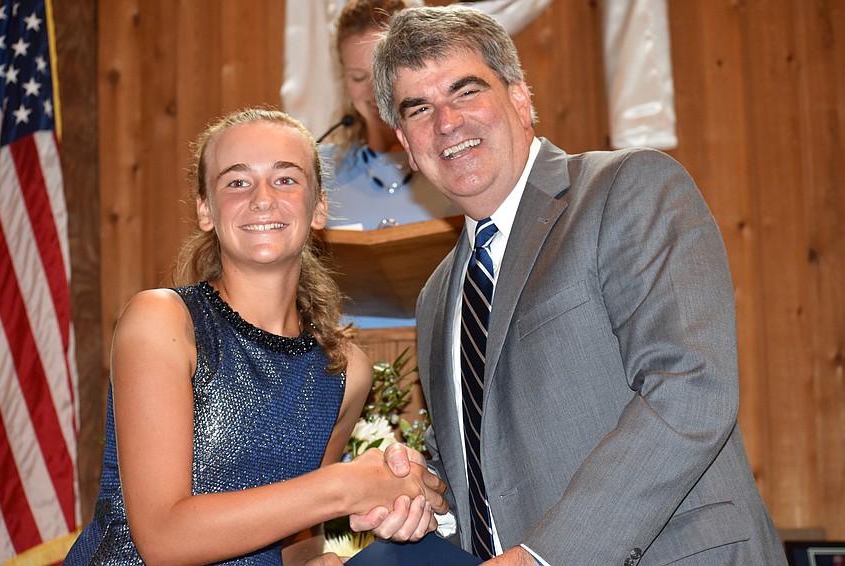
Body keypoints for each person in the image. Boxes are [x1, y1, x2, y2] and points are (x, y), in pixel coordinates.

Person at [353, 5, 789, 565]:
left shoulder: (626, 189)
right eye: (420, 109)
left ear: (519, 98)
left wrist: (543, 556)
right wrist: (421, 496)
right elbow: (480, 472)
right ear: (406, 144)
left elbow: (690, 388)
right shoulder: (436, 296)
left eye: (466, 92)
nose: (446, 122)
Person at [64, 107, 446, 565]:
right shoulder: (163, 321)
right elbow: (163, 538)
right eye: (237, 182)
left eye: (286, 179)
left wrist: (318, 559)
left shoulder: (344, 371)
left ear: (319, 206)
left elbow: (295, 539)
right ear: (205, 209)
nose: (263, 199)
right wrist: (347, 486)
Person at [321, 0, 457, 232]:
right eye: (358, 77)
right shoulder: (319, 171)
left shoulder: (455, 156)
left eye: (384, 73)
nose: (374, 91)